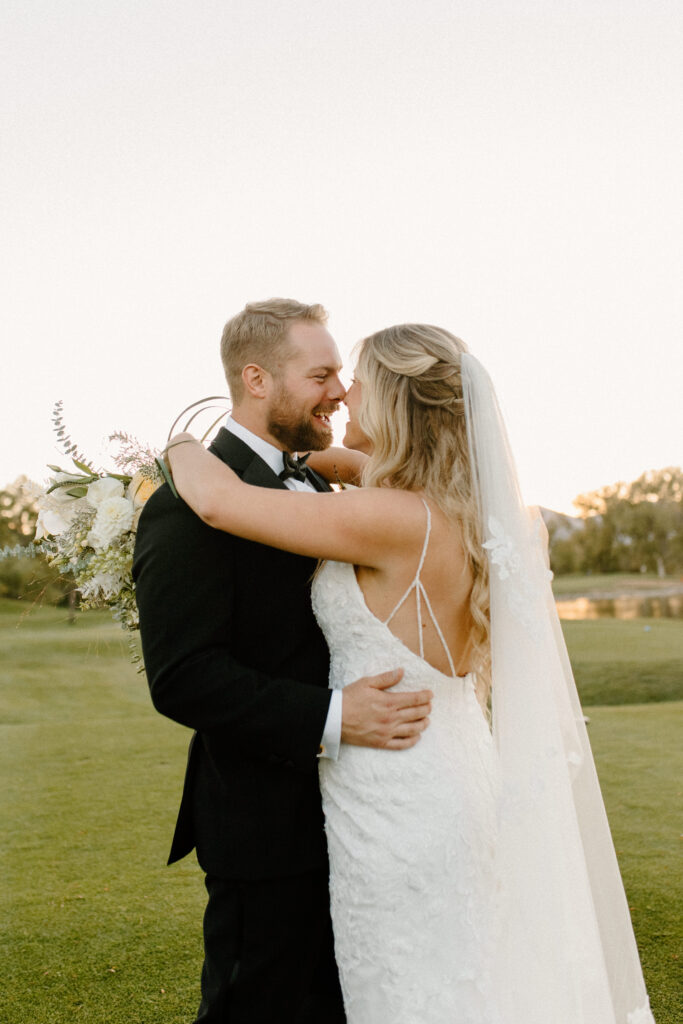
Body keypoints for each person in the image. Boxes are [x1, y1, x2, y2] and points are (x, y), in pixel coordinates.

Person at [166, 322, 656, 1024]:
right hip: (454, 767)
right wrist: (329, 455)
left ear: (393, 401)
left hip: (395, 791)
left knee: (407, 988)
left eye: (358, 382)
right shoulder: (465, 512)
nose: (342, 393)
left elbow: (217, 501)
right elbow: (340, 465)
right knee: (465, 973)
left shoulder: (390, 519)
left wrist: (179, 442)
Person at [132, 300, 433, 1024]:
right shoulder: (186, 504)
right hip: (264, 826)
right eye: (322, 374)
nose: (338, 391)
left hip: (363, 813)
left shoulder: (322, 488)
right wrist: (335, 715)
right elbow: (183, 676)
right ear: (257, 378)